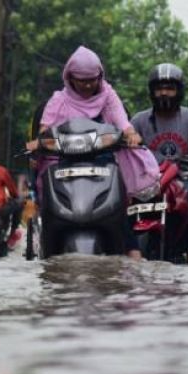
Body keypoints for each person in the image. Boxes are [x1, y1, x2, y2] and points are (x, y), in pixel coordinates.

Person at [25, 45, 143, 258]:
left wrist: (131, 133)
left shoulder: (108, 95)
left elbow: (122, 121)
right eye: (82, 80)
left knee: (118, 210)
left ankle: (133, 254)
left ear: (100, 76)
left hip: (104, 163)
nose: (88, 85)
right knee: (51, 209)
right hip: (65, 164)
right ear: (70, 78)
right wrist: (39, 142)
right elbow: (45, 128)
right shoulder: (59, 100)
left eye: (93, 79)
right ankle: (46, 249)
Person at [131, 63, 188, 263]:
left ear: (179, 91)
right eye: (159, 88)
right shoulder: (140, 119)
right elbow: (128, 135)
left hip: (183, 174)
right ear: (152, 91)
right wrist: (130, 140)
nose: (164, 93)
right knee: (126, 202)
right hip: (148, 178)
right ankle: (126, 246)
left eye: (169, 88)